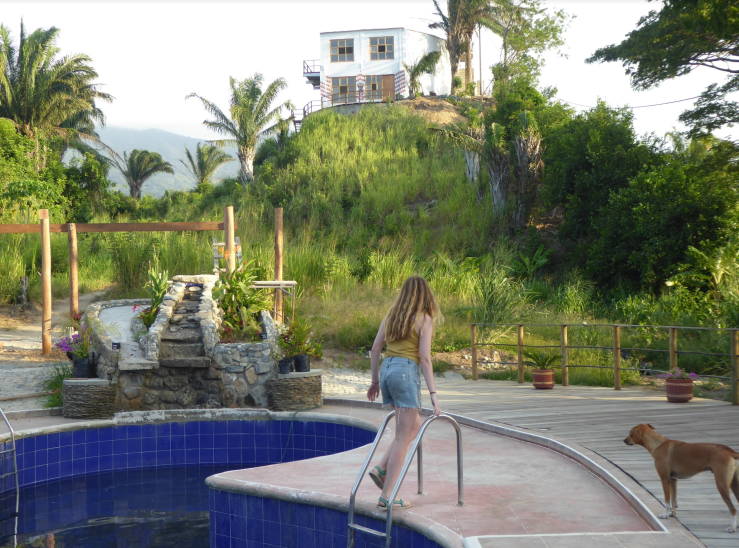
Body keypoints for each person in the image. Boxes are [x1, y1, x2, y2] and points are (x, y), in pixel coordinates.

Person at [366, 276, 442, 509]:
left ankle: (381, 467)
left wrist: (375, 381)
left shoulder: (391, 316)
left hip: (388, 371)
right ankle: (387, 496)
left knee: (414, 426)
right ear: (426, 295)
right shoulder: (424, 319)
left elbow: (375, 349)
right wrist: (433, 395)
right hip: (405, 374)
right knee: (402, 437)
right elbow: (425, 359)